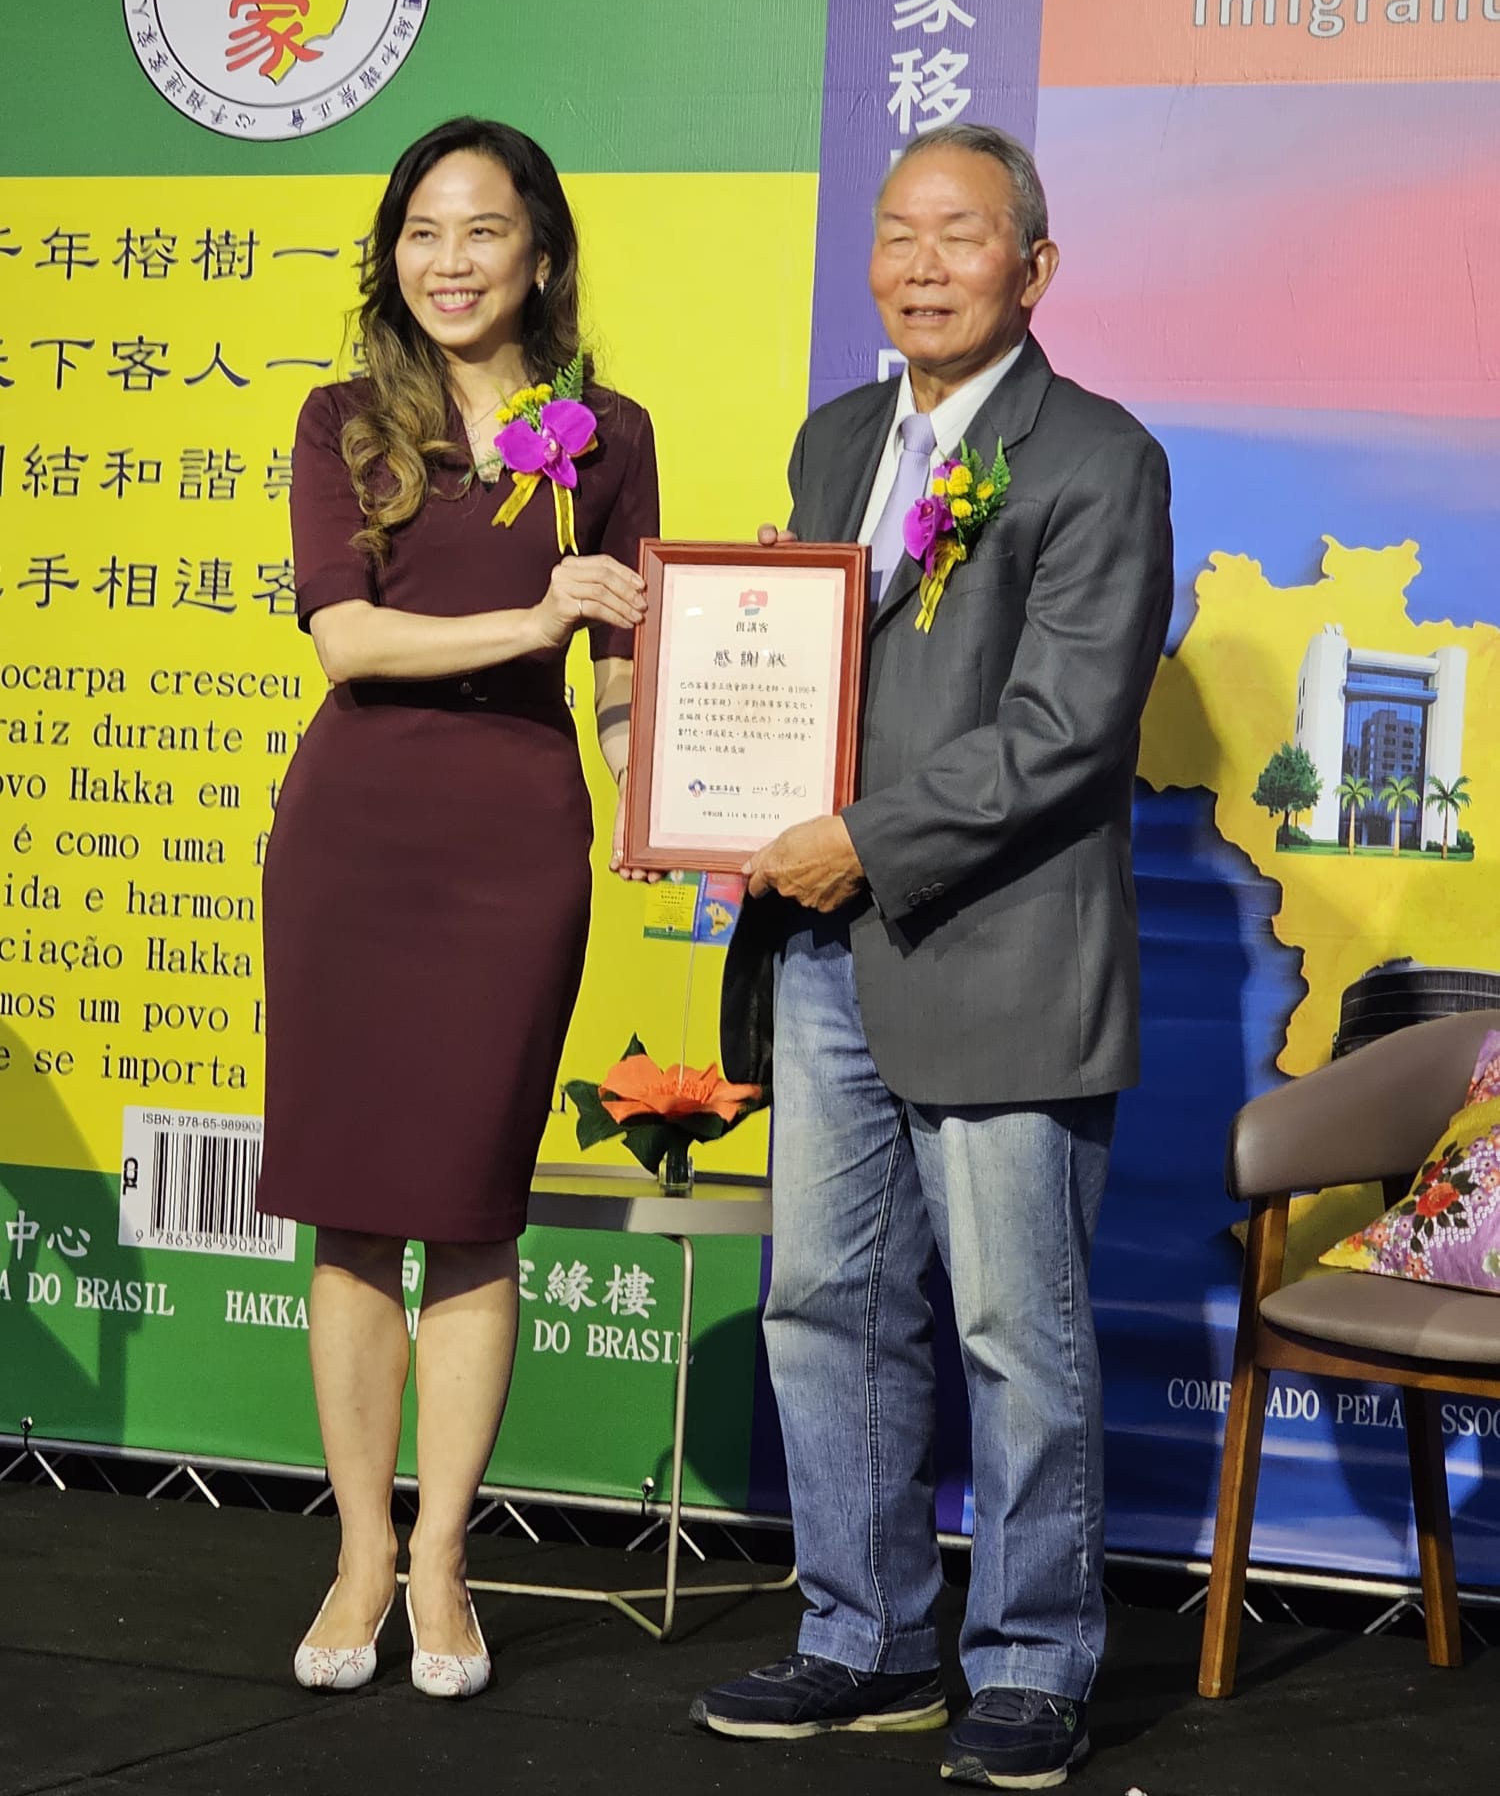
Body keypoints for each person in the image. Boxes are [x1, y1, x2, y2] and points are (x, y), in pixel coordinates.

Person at [693, 123, 1173, 1788]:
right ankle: (866, 1639)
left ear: (1034, 268)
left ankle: (1032, 1663)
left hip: (1004, 956)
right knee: (823, 1306)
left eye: (960, 235)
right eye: (898, 233)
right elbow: (810, 674)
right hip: (827, 951)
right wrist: (714, 742)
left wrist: (861, 837)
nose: (920, 264)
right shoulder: (838, 438)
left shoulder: (1099, 458)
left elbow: (1063, 732)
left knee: (1015, 1334)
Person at [256, 117, 657, 1699]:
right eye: (422, 231)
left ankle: (442, 1559)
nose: (450, 260)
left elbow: (618, 662)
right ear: (392, 253)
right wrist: (533, 616)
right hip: (355, 836)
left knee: (477, 1210)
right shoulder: (342, 420)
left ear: (539, 254)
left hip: (515, 843)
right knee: (354, 1214)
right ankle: (360, 1549)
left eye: (481, 230)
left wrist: (652, 792)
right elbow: (347, 640)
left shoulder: (610, 433)